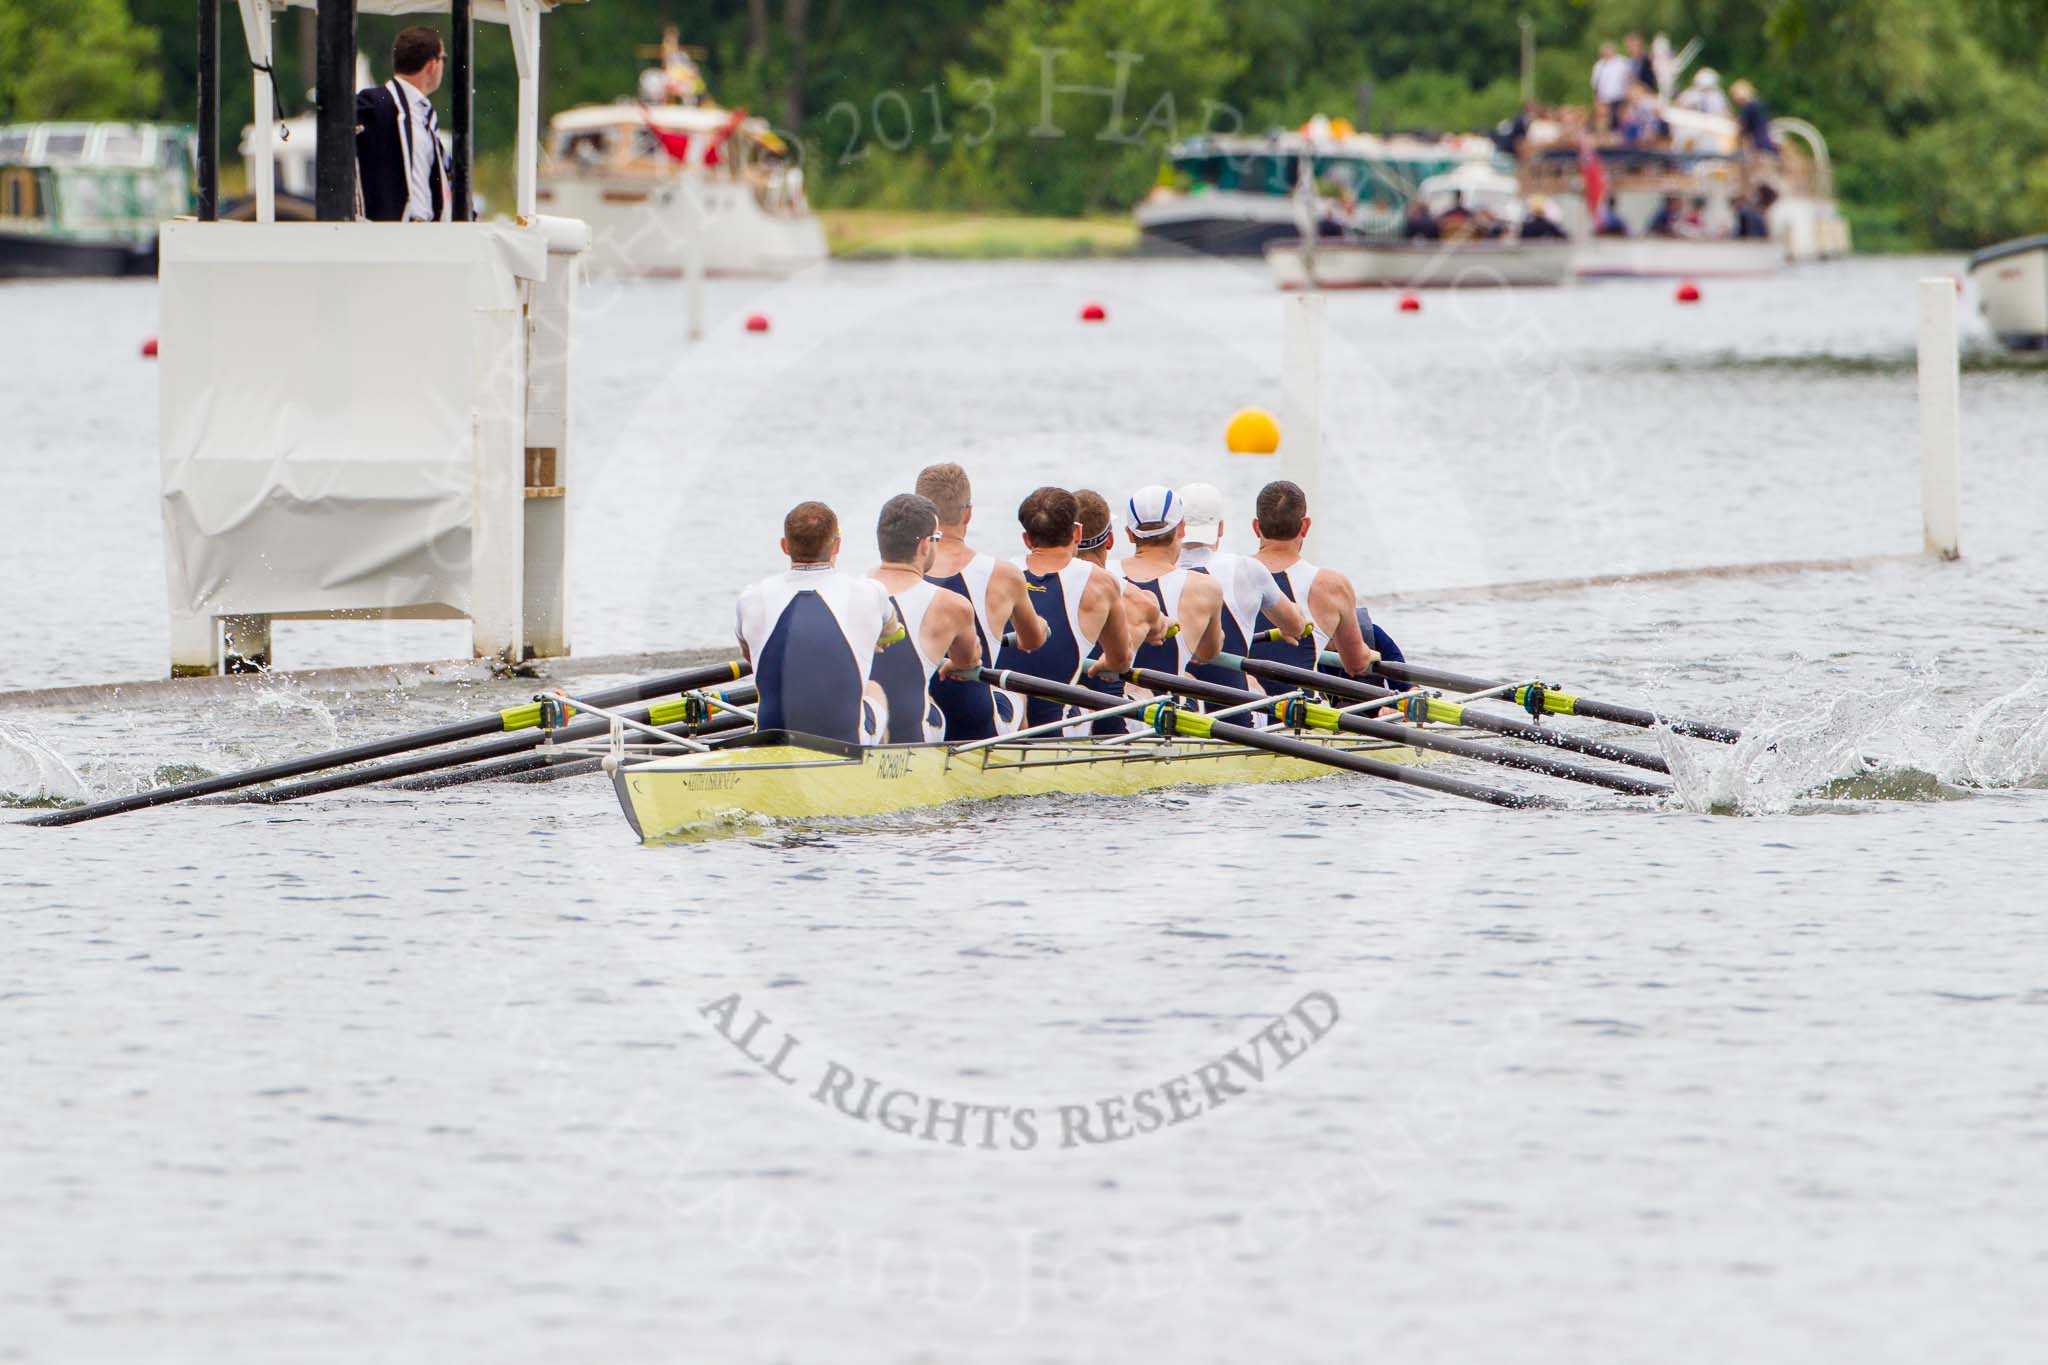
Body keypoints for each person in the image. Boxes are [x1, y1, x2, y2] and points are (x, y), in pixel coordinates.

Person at [734, 501, 900, 746]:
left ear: (784, 546)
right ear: (837, 546)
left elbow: (750, 655)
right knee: (874, 689)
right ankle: (875, 774)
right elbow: (891, 632)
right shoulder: (871, 592)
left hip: (771, 736)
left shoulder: (750, 598)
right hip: (845, 740)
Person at [915, 462, 1047, 742]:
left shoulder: (898, 575)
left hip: (916, 719)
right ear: (969, 513)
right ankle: (1018, 764)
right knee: (1016, 691)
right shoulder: (1004, 575)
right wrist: (1039, 627)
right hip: (973, 720)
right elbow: (1033, 641)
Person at [991, 487, 1136, 730]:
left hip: (1002, 721)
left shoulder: (999, 574)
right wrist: (1101, 666)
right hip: (1053, 732)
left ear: (1026, 539)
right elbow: (1121, 661)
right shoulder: (1100, 582)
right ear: (1077, 533)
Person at [1175, 482, 1306, 703]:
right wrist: (1297, 612)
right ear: (1221, 528)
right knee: (1254, 688)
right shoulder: (1246, 568)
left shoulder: (1150, 574)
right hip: (1233, 712)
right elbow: (1296, 627)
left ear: (1177, 528)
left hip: (1163, 707)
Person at [867, 494, 981, 744]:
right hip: (909, 740)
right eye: (937, 538)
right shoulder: (953, 605)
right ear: (925, 546)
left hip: (856, 732)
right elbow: (967, 664)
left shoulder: (848, 592)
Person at [1247, 480, 1381, 685]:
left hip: (1236, 706)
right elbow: (1355, 664)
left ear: (1256, 527)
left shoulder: (1228, 573)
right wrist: (1374, 656)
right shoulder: (1331, 585)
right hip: (1298, 711)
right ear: (1305, 526)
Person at [1118, 486, 1225, 685]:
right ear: (1182, 527)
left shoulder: (1103, 575)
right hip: (1161, 710)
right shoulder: (1206, 587)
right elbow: (1207, 653)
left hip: (1099, 706)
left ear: (1130, 534)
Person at [355, 28, 451, 223]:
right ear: (432, 65)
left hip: (425, 235)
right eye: (444, 59)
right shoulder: (376, 102)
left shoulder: (425, 114)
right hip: (391, 236)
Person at [1591, 42, 1634, 131]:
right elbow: (1596, 85)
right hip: (1604, 99)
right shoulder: (1599, 65)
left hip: (1620, 98)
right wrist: (1597, 100)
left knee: (1619, 120)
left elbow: (1629, 80)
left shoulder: (1623, 62)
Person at [1731, 80, 1778, 154]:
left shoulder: (1748, 107)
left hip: (1760, 145)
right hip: (1766, 143)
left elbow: (1742, 128)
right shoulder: (1758, 103)